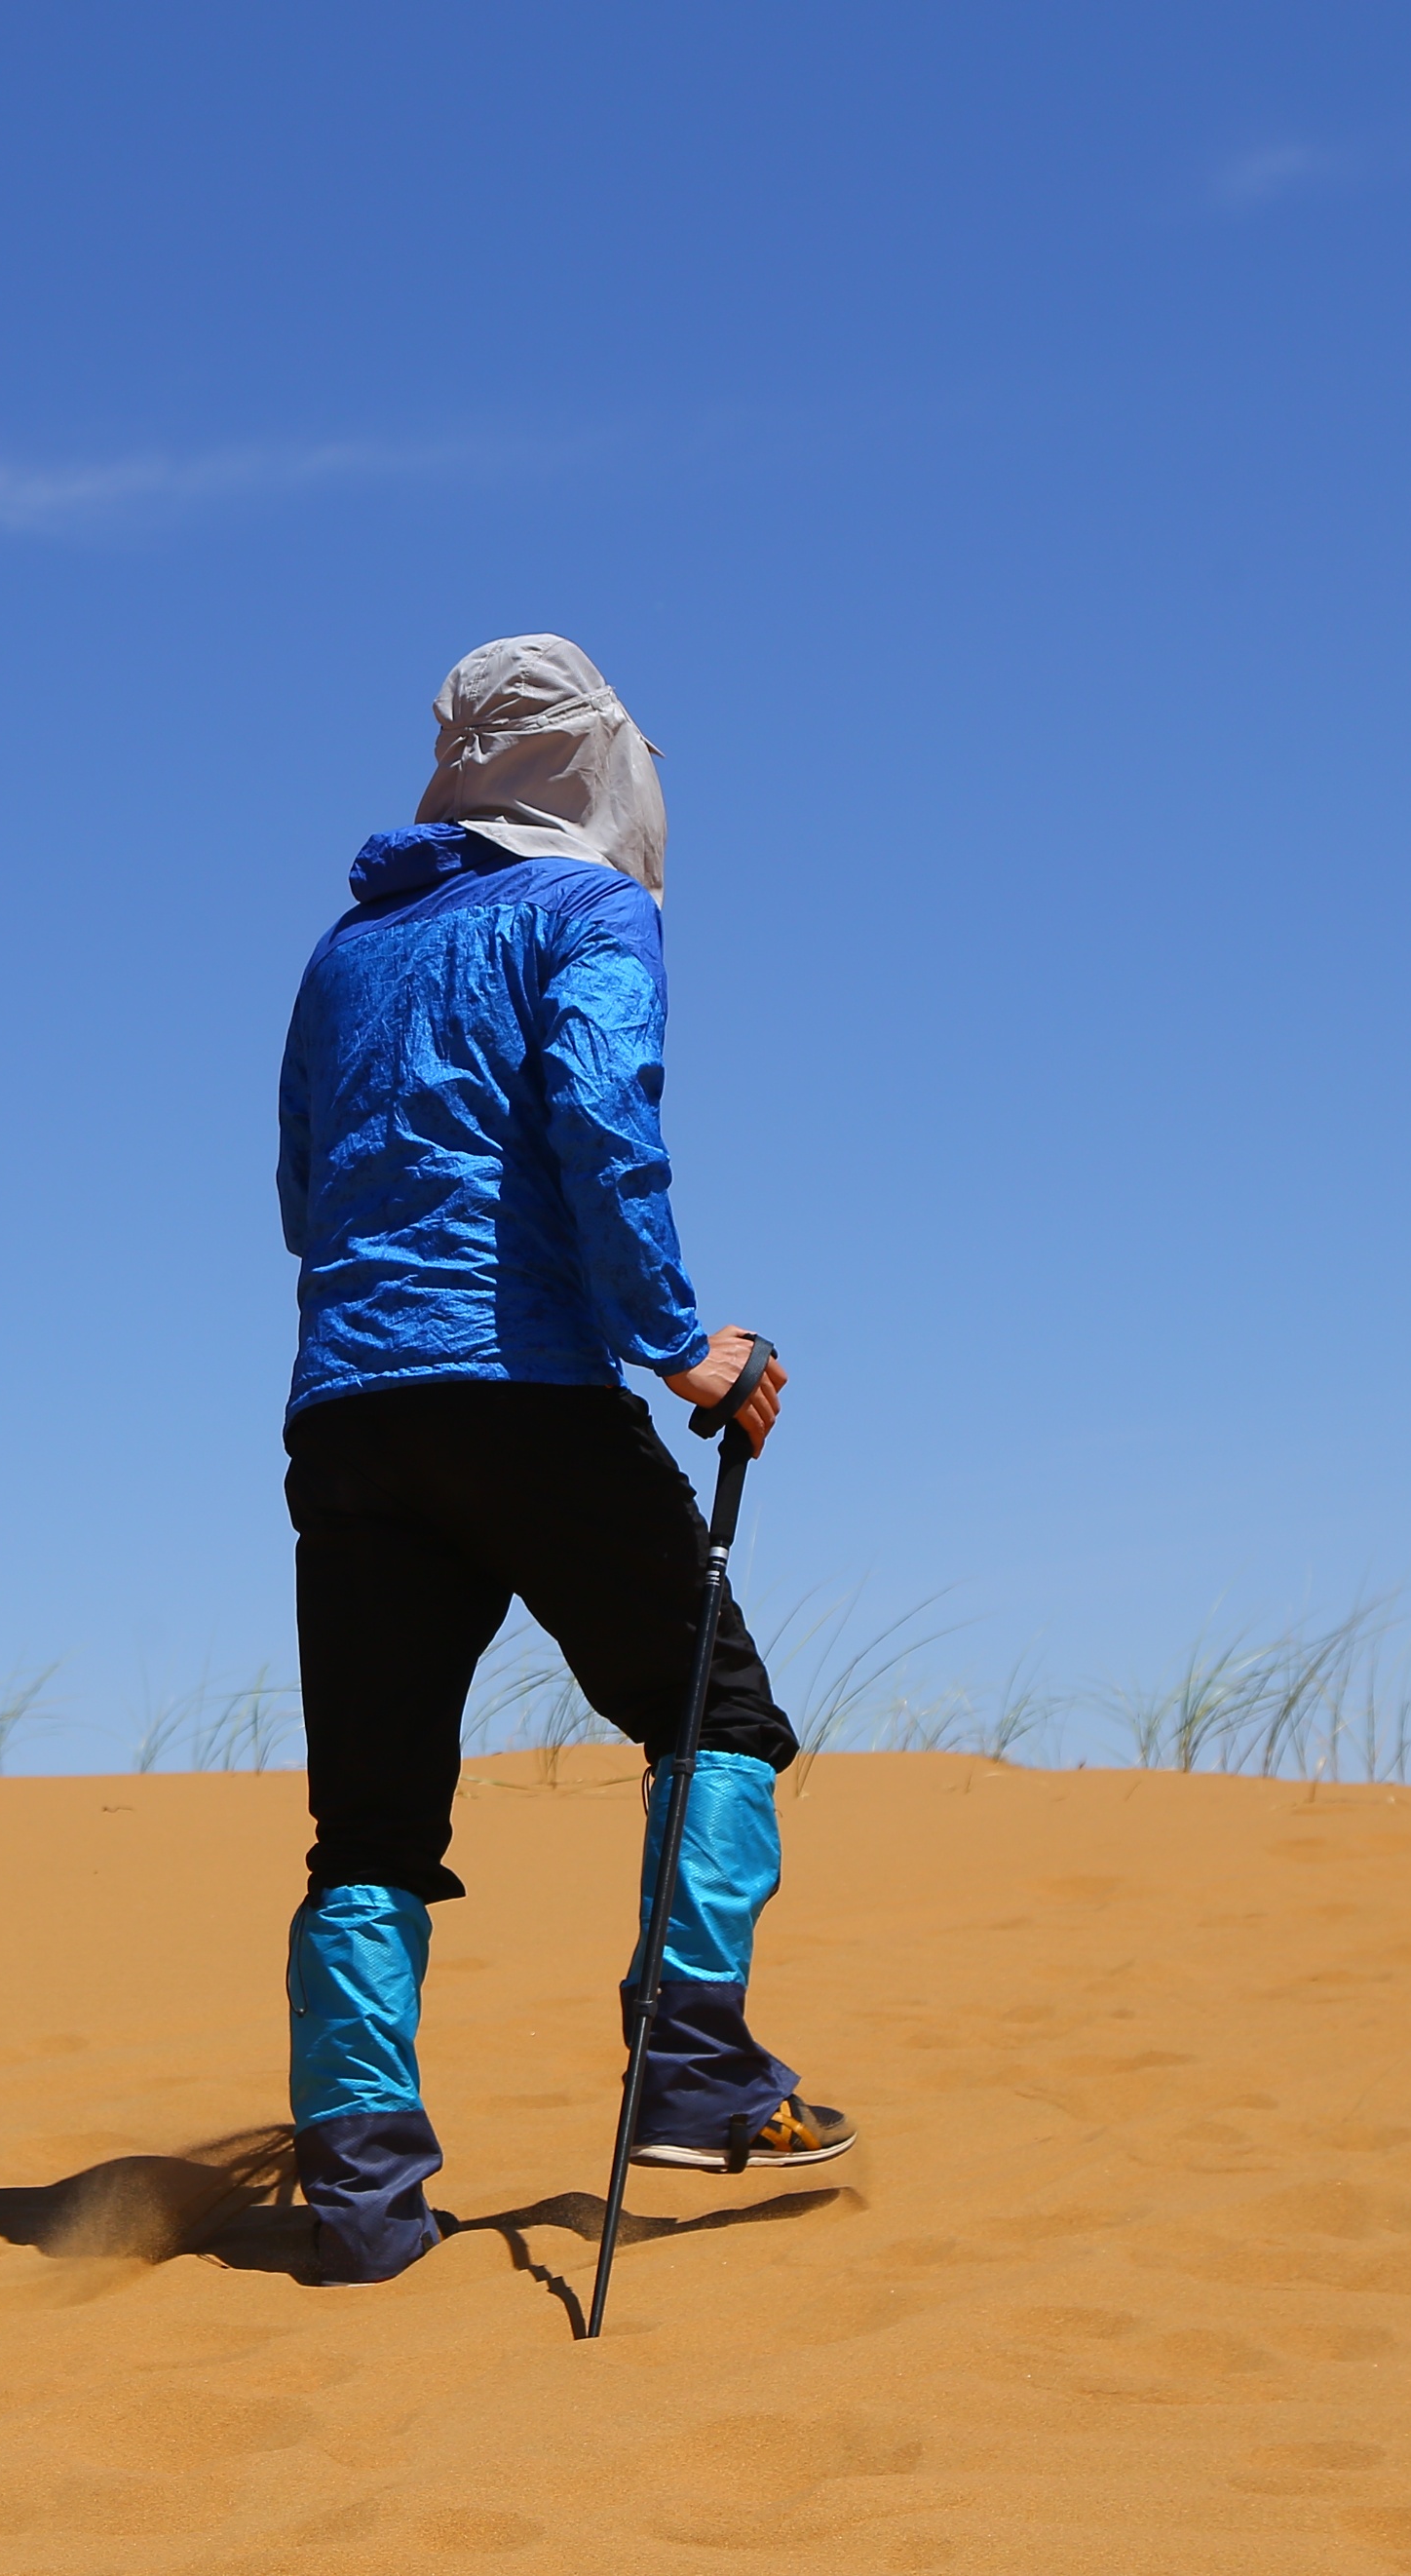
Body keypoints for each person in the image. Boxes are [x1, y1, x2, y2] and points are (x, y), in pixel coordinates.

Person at [272, 634, 852, 2284]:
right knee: (713, 1718)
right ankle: (691, 2065)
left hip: (347, 1410)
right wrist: (679, 1339)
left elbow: (307, 1194)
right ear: (599, 765)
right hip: (523, 1387)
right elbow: (605, 1115)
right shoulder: (593, 910)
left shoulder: (348, 946)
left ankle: (362, 2187)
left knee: (369, 1824)